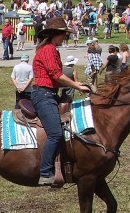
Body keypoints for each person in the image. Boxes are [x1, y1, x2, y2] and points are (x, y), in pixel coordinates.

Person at [31, 17, 91, 186]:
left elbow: (56, 77)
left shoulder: (52, 50)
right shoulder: (48, 50)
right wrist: (77, 87)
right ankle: (45, 172)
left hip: (49, 93)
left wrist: (76, 83)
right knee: (56, 133)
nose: (66, 38)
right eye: (64, 34)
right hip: (43, 95)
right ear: (55, 34)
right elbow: (56, 75)